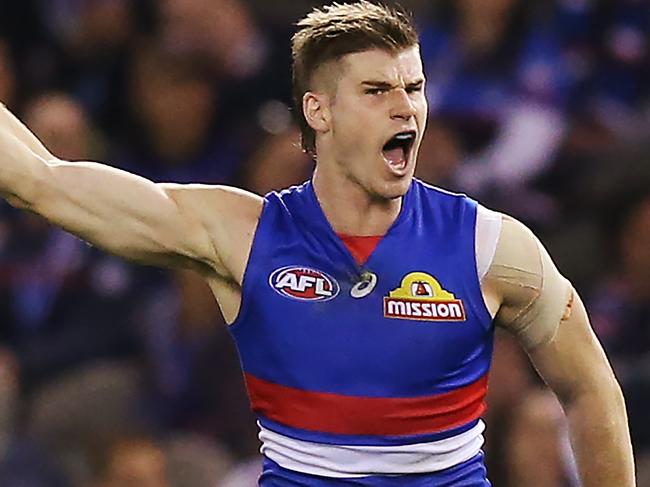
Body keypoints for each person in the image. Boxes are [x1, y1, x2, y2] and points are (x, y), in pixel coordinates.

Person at [0, 1, 635, 485]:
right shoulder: (241, 236)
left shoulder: (491, 246)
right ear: (319, 111)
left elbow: (591, 390)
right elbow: (41, 182)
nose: (406, 110)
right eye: (377, 90)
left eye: (414, 88)